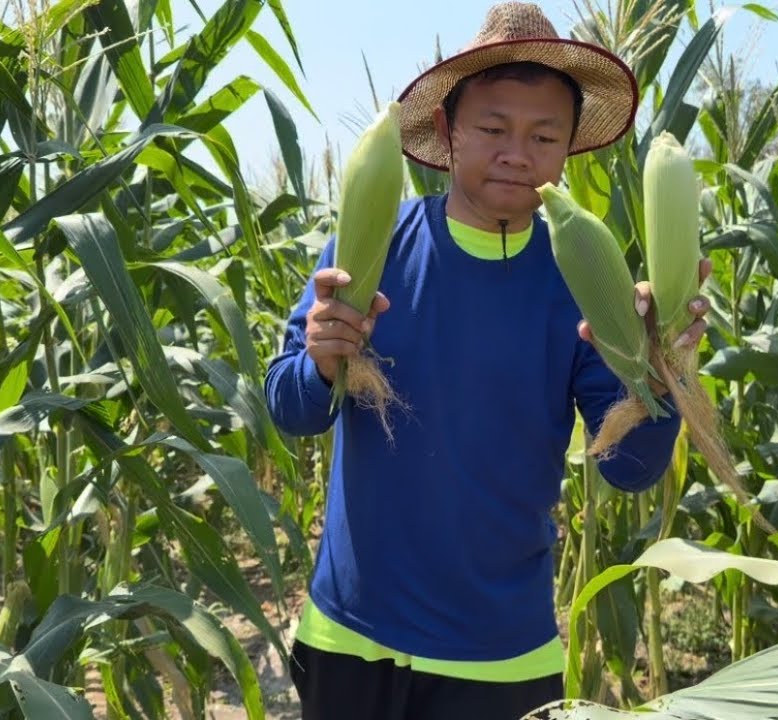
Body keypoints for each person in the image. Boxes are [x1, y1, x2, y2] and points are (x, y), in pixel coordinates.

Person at [264, 3, 712, 718]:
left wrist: (660, 377)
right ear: (447, 132)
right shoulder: (373, 244)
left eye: (544, 135)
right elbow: (290, 408)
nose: (518, 154)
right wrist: (320, 360)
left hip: (500, 659)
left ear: (569, 148)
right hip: (349, 638)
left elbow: (629, 470)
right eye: (493, 129)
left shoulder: (583, 276)